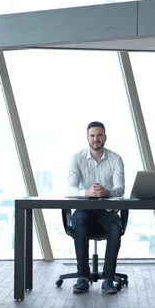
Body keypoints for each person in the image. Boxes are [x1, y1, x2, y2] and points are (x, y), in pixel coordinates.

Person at [67, 121, 125, 295]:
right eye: (92, 135)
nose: (96, 139)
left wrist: (106, 192)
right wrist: (88, 192)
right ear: (87, 138)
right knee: (80, 226)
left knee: (115, 227)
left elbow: (121, 188)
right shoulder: (77, 158)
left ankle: (108, 279)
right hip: (83, 208)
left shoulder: (116, 159)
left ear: (105, 137)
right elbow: (70, 188)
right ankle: (83, 278)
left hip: (106, 209)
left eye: (99, 135)